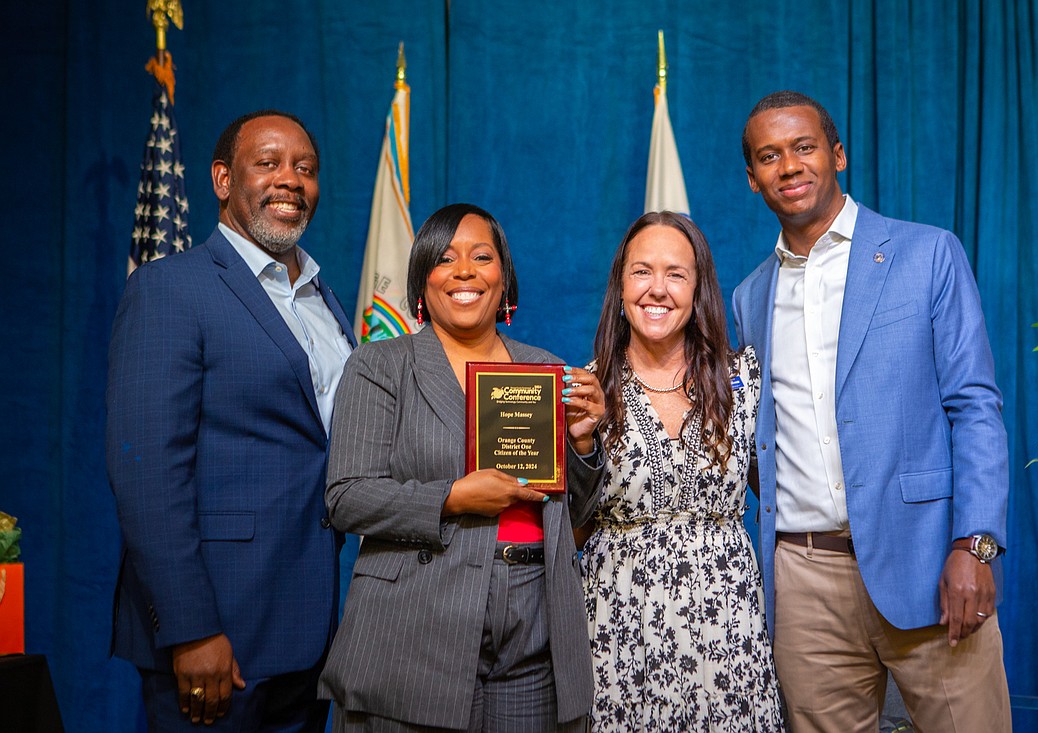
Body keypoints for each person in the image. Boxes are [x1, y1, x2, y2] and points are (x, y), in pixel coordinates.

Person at [732, 90, 1011, 732]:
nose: (789, 167)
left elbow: (974, 407)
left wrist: (977, 544)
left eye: (804, 147)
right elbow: (757, 441)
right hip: (803, 579)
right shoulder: (750, 297)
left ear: (838, 154)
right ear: (752, 179)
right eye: (769, 157)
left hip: (929, 562)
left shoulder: (927, 254)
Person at [106, 110, 356, 730]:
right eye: (267, 163)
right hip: (219, 632)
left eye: (305, 168)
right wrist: (191, 630)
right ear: (222, 180)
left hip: (309, 631)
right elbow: (147, 474)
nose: (290, 180)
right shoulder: (171, 288)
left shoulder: (325, 300)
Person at [318, 203, 606, 732]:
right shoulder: (380, 365)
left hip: (534, 626)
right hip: (414, 621)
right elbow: (346, 497)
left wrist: (584, 444)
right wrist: (451, 498)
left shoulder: (543, 368)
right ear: (422, 281)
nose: (465, 271)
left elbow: (578, 514)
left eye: (482, 256)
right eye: (445, 258)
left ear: (505, 278)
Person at [582, 211, 784, 731]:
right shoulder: (585, 390)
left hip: (726, 624)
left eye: (676, 274)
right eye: (641, 271)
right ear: (620, 286)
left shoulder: (745, 378)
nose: (657, 289)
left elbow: (785, 487)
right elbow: (568, 527)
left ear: (698, 290)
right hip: (617, 622)